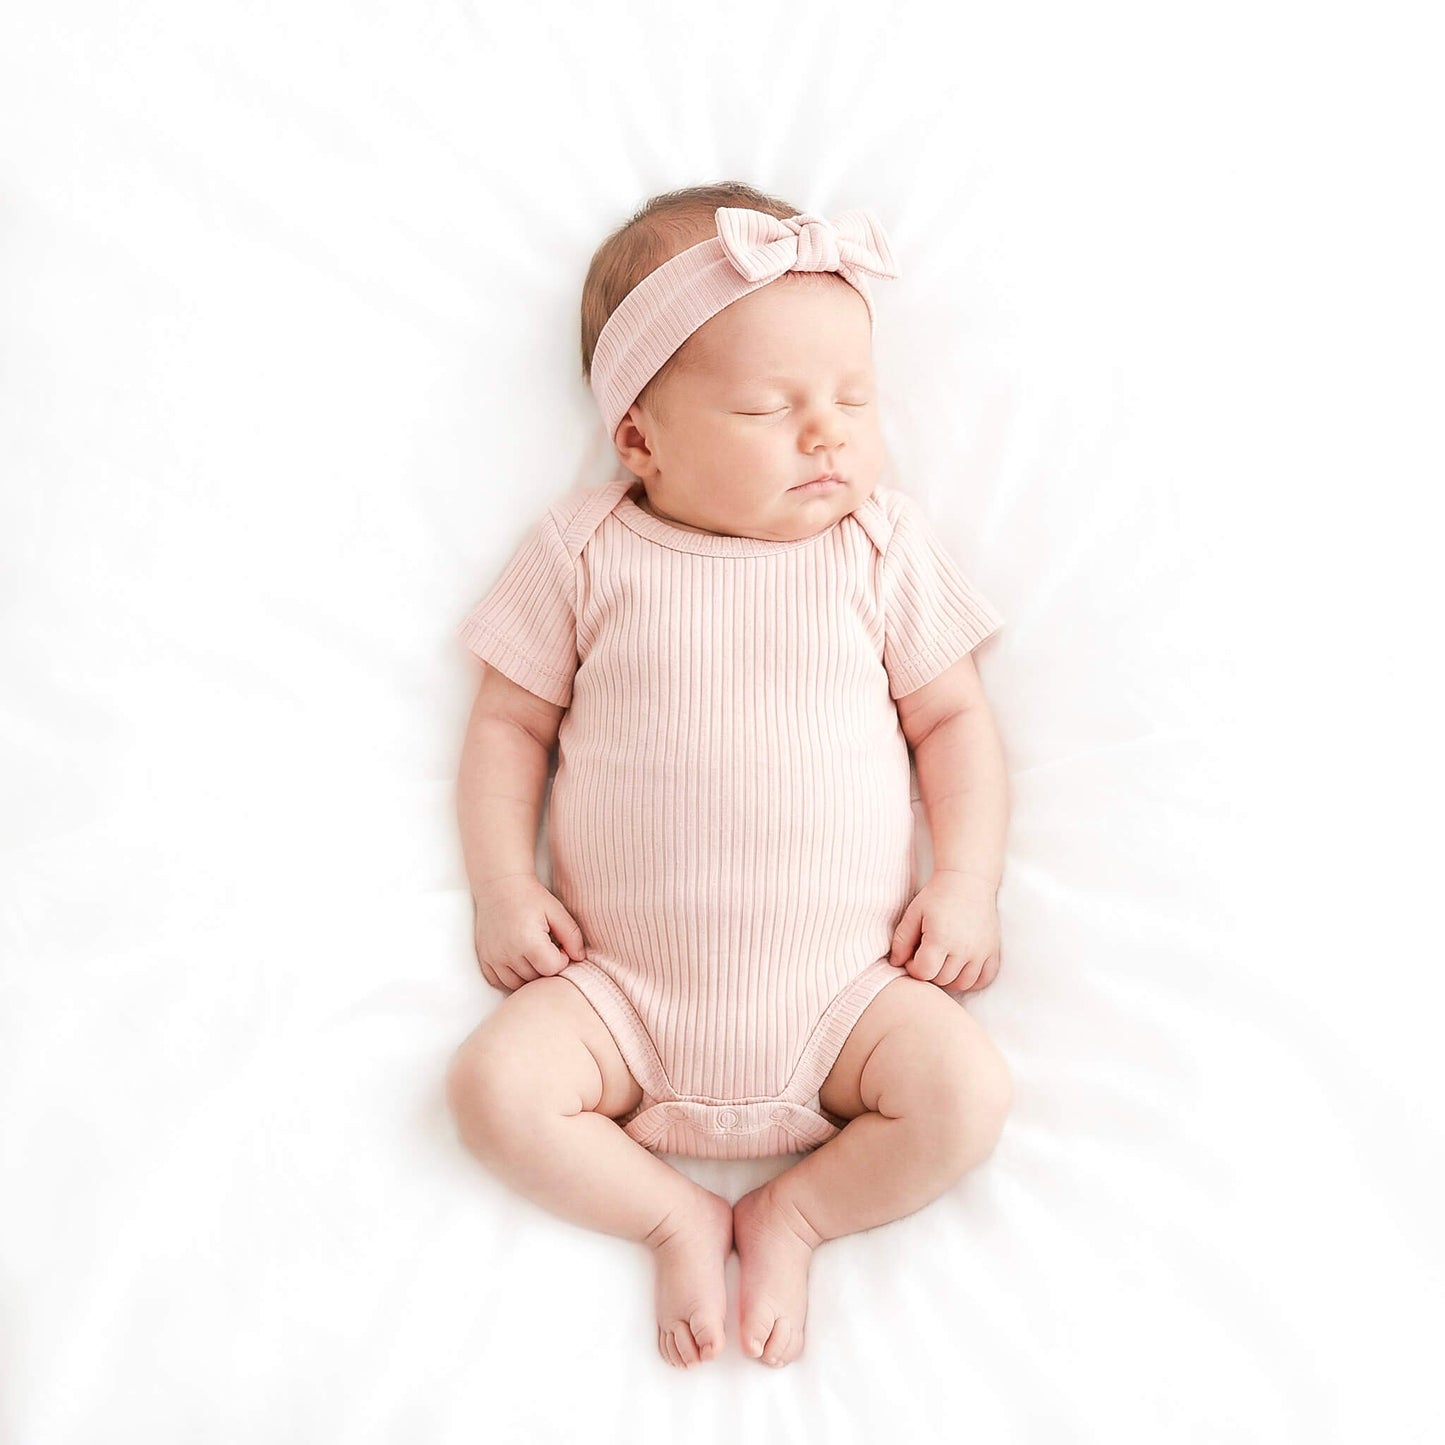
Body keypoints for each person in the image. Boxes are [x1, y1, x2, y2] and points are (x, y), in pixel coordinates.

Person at [445, 181, 1014, 1371]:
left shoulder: (879, 547)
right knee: (494, 1087)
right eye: (768, 406)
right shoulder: (585, 551)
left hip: (847, 999)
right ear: (639, 437)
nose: (828, 434)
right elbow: (506, 727)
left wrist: (963, 883)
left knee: (963, 1093)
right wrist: (503, 886)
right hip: (620, 999)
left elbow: (954, 720)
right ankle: (670, 1214)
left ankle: (795, 1214)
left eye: (852, 399)